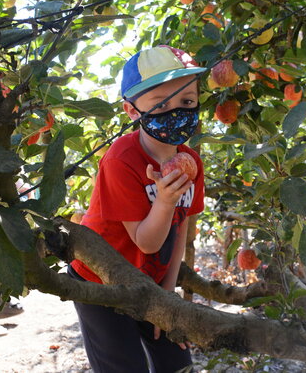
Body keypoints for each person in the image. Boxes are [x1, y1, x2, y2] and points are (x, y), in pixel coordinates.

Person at [68, 45, 206, 373]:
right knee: (123, 366)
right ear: (132, 111)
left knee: (177, 360)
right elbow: (147, 241)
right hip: (101, 284)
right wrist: (164, 200)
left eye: (187, 101)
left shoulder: (191, 163)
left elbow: (180, 226)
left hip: (150, 283)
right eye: (162, 103)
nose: (178, 111)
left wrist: (167, 297)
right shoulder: (121, 161)